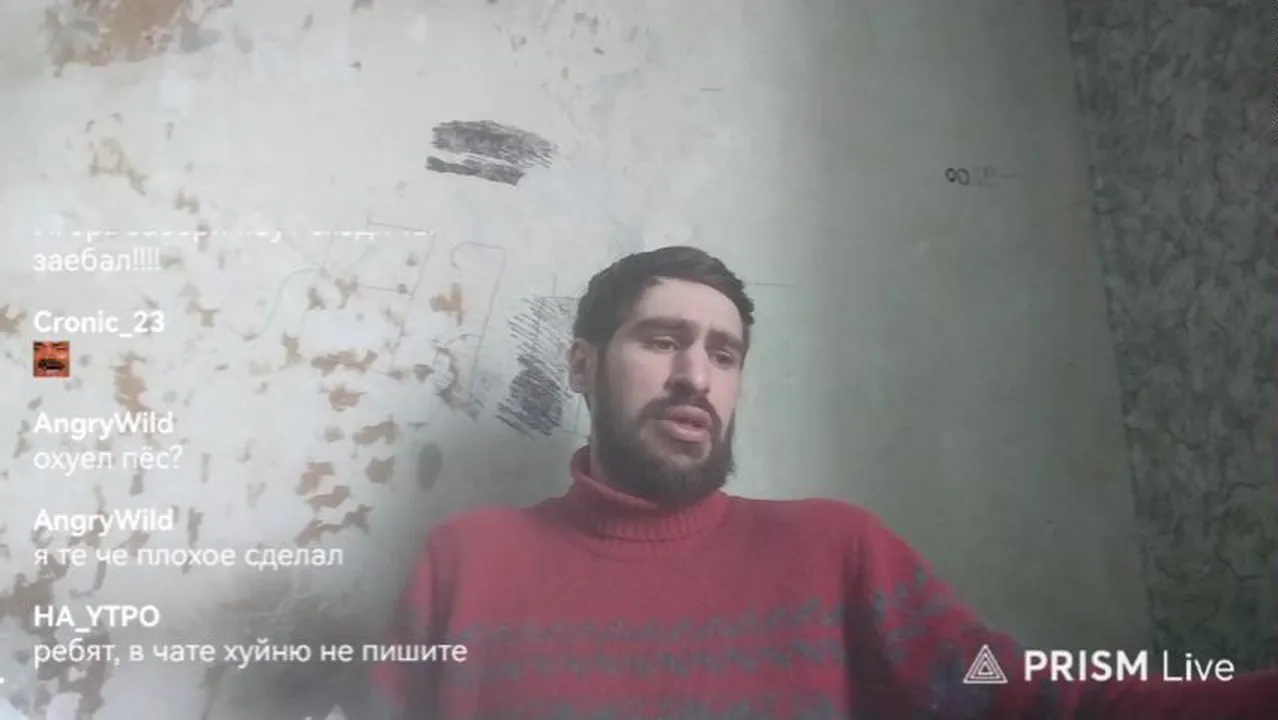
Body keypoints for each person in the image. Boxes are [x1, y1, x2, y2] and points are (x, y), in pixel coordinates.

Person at [369, 246, 1276, 718]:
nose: (696, 377)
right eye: (663, 341)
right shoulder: (468, 562)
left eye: (725, 354)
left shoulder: (832, 551)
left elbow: (1017, 688)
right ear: (581, 364)